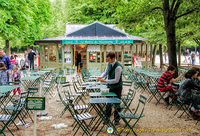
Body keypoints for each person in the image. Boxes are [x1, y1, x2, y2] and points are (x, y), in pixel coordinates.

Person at [97, 52, 123, 125]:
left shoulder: (118, 67)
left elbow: (116, 80)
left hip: (117, 87)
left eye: (108, 59)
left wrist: (105, 81)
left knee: (116, 104)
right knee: (108, 103)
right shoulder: (108, 64)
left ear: (113, 58)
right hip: (110, 86)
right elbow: (105, 72)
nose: (107, 61)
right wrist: (101, 77)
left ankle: (116, 119)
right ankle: (107, 118)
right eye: (107, 59)